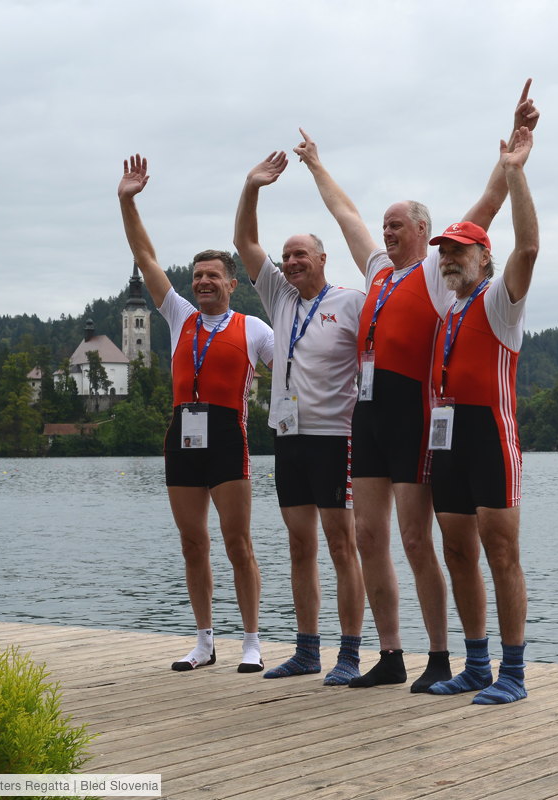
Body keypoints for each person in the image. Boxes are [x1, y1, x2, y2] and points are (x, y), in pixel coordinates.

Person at [295, 81, 539, 691]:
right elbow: (344, 214)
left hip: (418, 413)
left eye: (398, 224)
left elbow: (488, 207)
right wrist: (318, 165)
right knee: (369, 534)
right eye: (386, 226)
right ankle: (393, 653)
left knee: (417, 536)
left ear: (425, 230)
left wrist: (511, 155)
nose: (386, 233)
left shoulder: (440, 274)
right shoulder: (379, 272)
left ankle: (447, 657)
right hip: (370, 411)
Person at [117, 155, 274, 673]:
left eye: (213, 276)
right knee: (192, 543)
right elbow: (144, 256)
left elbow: (299, 365)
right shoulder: (179, 315)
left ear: (232, 283)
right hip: (181, 433)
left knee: (237, 543)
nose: (203, 282)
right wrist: (127, 200)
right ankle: (205, 640)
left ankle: (251, 640)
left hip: (229, 435)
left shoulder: (254, 329)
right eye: (197, 276)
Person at [233, 150, 368, 685]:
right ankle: (308, 649)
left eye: (299, 255)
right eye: (285, 256)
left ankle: (352, 653)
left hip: (335, 438)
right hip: (287, 437)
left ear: (322, 258)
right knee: (298, 544)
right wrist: (252, 187)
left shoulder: (352, 303)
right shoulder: (279, 297)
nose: (289, 263)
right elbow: (245, 242)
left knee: (342, 544)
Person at [425, 126, 538, 704]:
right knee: (456, 550)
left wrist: (514, 172)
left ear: (481, 257)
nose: (448, 258)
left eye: (458, 250)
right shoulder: (447, 307)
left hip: (491, 435)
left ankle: (513, 673)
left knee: (500, 551)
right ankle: (475, 664)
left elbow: (528, 249)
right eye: (443, 250)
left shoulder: (499, 301)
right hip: (447, 438)